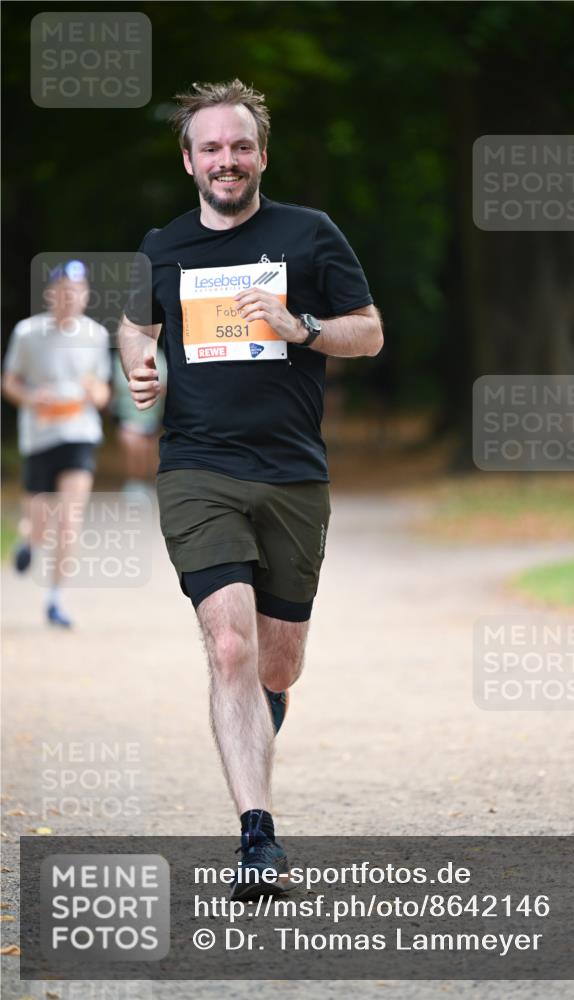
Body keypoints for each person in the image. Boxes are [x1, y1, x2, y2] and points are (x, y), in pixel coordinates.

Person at [118, 79, 383, 897]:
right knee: (226, 643)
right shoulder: (161, 247)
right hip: (198, 467)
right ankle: (256, 836)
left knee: (276, 664)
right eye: (210, 148)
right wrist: (137, 362)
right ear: (189, 160)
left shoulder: (310, 234)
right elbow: (136, 322)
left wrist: (299, 326)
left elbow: (368, 333)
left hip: (294, 474)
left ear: (259, 154)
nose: (225, 160)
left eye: (239, 147)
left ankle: (255, 726)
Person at [2, 260, 111, 627]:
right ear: (51, 295)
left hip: (79, 434)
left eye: (76, 292)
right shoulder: (27, 333)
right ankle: (29, 541)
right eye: (63, 292)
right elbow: (10, 383)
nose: (70, 298)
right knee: (41, 521)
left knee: (69, 519)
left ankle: (55, 599)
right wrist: (33, 399)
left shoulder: (96, 335)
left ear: (85, 296)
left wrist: (94, 393)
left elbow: (102, 389)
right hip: (39, 436)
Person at [112, 347, 167, 493]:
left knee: (150, 453)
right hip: (127, 416)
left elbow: (164, 387)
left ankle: (146, 483)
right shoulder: (120, 359)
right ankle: (133, 483)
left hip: (153, 417)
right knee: (132, 448)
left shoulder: (159, 357)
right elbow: (117, 388)